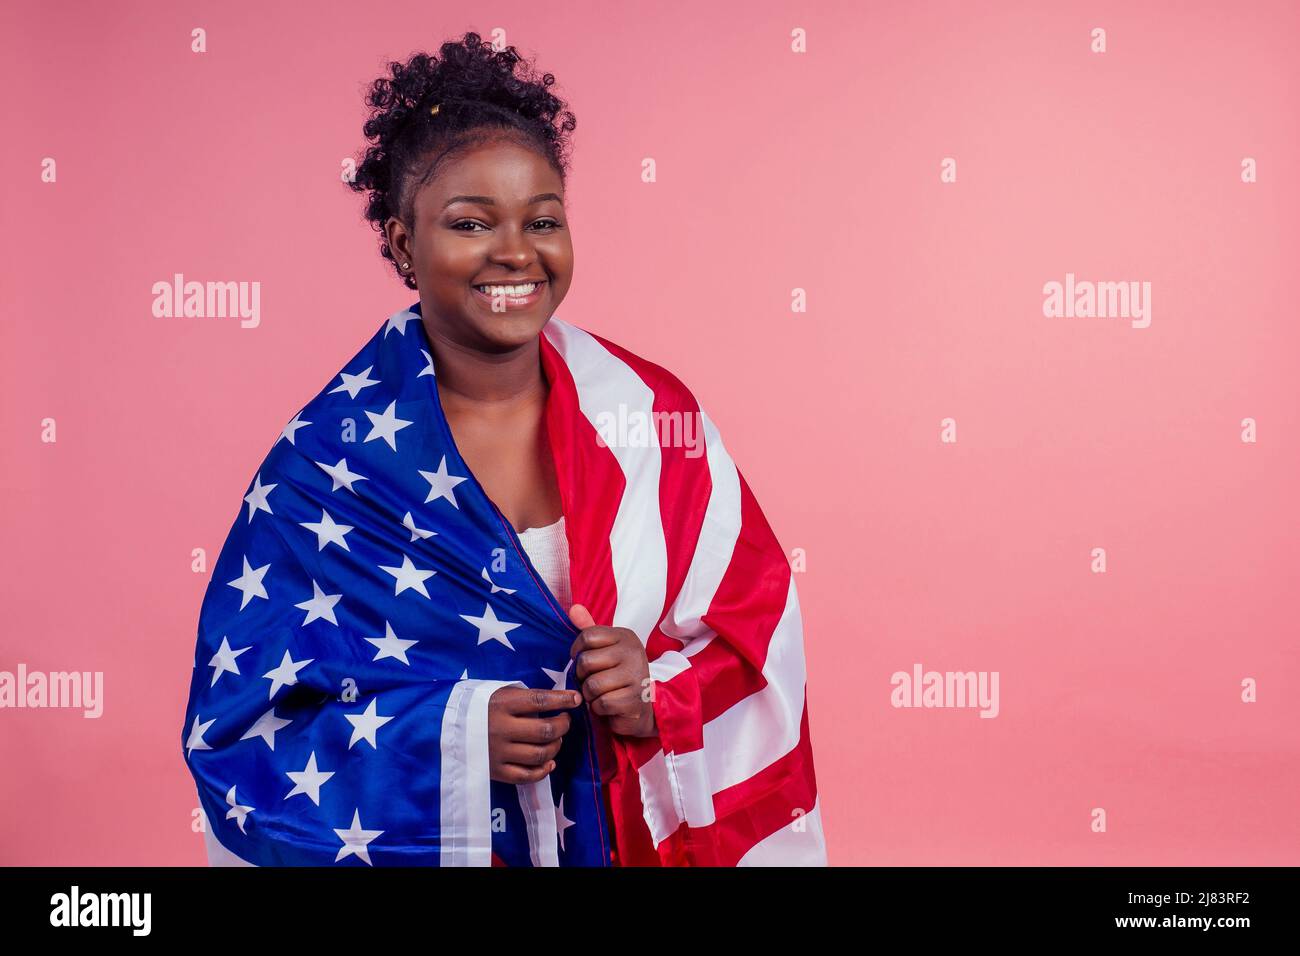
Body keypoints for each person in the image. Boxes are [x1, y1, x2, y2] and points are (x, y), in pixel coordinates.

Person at [181, 32, 826, 866]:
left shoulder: (649, 418)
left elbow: (757, 634)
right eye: (470, 223)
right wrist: (453, 735)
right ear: (404, 243)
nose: (516, 252)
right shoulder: (325, 468)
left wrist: (653, 691)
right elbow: (242, 733)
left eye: (543, 219)